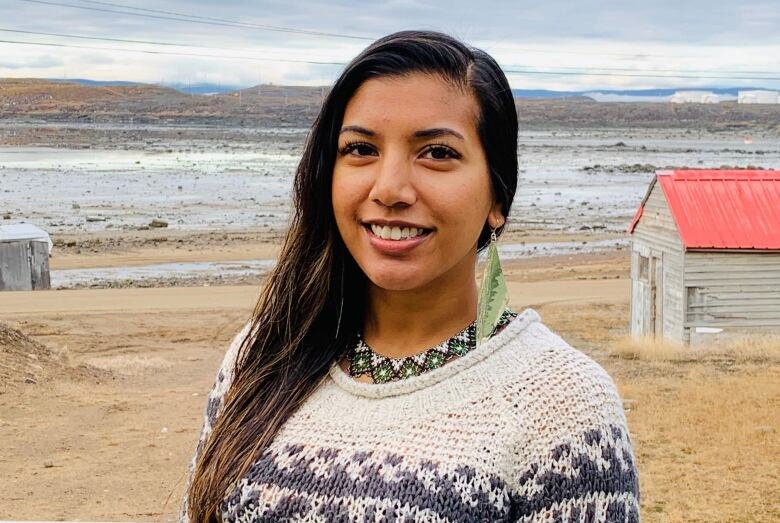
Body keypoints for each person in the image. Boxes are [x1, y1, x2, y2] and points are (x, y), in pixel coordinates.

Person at [179, 30, 640, 522]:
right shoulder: (262, 355)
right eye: (360, 149)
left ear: (497, 199)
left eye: (437, 153)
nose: (390, 188)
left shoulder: (563, 404)